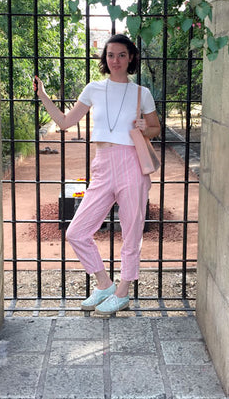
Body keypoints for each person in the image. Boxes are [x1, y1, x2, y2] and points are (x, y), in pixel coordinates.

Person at [33, 34, 161, 316]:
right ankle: (104, 283)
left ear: (131, 58)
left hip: (132, 164)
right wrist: (42, 94)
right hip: (102, 164)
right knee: (77, 231)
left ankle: (122, 291)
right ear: (105, 59)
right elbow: (65, 122)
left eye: (122, 55)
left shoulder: (142, 93)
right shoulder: (93, 89)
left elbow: (155, 129)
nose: (115, 60)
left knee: (131, 231)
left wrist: (144, 127)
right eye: (111, 55)